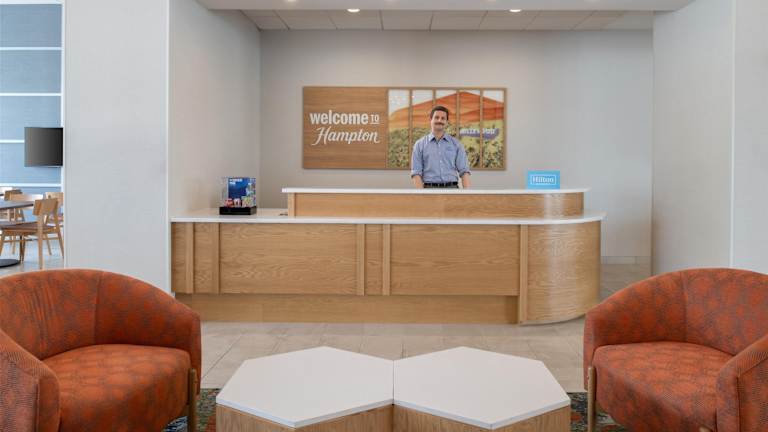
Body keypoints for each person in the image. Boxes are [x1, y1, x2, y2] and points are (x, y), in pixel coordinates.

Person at [410, 106, 471, 189]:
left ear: (446, 122)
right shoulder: (419, 145)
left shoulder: (456, 144)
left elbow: (464, 171)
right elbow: (416, 173)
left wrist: (467, 194)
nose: (439, 120)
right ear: (430, 120)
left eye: (443, 118)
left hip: (452, 189)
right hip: (429, 190)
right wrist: (422, 194)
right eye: (436, 117)